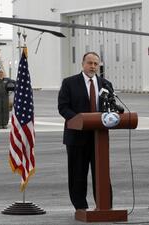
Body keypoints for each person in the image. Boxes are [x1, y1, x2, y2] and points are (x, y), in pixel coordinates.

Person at [58, 52, 114, 211]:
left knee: (102, 174)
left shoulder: (106, 84)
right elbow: (63, 107)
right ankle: (80, 207)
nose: (93, 66)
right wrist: (79, 120)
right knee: (78, 174)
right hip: (76, 137)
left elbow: (111, 107)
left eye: (96, 64)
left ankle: (104, 206)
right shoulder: (69, 83)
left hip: (99, 138)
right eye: (90, 63)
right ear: (83, 64)